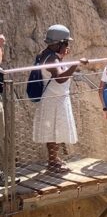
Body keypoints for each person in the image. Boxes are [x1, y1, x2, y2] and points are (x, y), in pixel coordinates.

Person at [31, 24, 89, 171]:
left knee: (54, 131)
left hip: (54, 98)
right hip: (53, 100)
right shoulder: (51, 59)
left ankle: (54, 159)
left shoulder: (48, 55)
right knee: (53, 132)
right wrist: (76, 64)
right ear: (59, 44)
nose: (67, 46)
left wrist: (62, 57)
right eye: (66, 43)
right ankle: (53, 163)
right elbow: (60, 78)